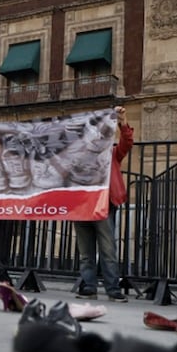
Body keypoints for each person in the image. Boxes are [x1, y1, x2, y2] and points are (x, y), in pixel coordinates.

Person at [74, 105, 132, 302]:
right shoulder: (78, 158)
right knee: (85, 252)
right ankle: (89, 286)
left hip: (104, 204)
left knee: (107, 249)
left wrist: (123, 122)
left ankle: (112, 289)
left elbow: (127, 143)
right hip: (82, 207)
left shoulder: (112, 153)